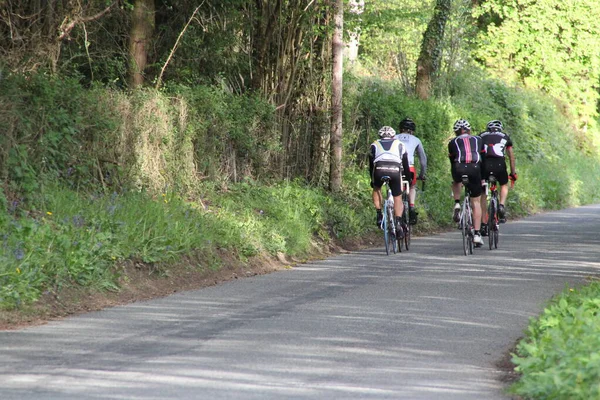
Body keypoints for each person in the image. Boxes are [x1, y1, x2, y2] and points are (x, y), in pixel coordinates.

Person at [448, 119, 486, 246]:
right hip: (474, 168)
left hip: (458, 167)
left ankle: (457, 203)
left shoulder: (452, 142)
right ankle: (476, 234)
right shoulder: (478, 139)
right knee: (476, 202)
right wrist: (482, 177)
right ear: (469, 131)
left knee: (456, 181)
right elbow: (482, 159)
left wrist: (456, 175)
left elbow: (452, 160)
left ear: (456, 132)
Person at [370, 126, 411, 238]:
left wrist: (372, 180)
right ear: (393, 136)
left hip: (379, 169)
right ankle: (398, 222)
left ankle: (379, 214)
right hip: (395, 170)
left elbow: (371, 164)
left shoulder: (374, 144)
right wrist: (408, 178)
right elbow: (405, 164)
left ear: (380, 136)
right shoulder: (400, 144)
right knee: (397, 196)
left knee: (376, 189)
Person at [478, 120, 517, 234]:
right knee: (504, 184)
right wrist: (513, 173)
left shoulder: (481, 136)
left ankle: (483, 224)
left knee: (483, 193)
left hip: (485, 165)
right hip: (499, 165)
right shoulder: (505, 136)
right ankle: (501, 205)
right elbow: (511, 157)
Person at [395, 118, 427, 225]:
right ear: (412, 130)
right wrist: (422, 175)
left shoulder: (394, 137)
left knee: (396, 189)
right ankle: (412, 207)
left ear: (400, 129)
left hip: (396, 167)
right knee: (412, 186)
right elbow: (423, 161)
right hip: (410, 168)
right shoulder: (416, 140)